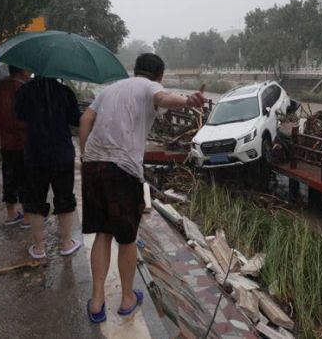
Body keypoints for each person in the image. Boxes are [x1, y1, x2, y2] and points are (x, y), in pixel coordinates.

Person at [79, 53, 205, 322]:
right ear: (159, 75)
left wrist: (84, 156)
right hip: (121, 170)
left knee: (102, 233)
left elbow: (85, 120)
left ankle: (96, 301)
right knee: (126, 238)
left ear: (136, 70)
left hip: (93, 166)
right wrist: (187, 100)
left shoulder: (110, 89)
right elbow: (162, 99)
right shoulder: (150, 87)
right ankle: (126, 298)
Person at [15, 76, 83, 259]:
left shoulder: (24, 91)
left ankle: (39, 248)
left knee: (35, 201)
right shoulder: (65, 91)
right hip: (62, 154)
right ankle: (67, 243)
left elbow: (20, 116)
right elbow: (76, 120)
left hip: (35, 154)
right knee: (64, 197)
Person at [0, 65, 31, 226]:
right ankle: (28, 216)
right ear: (22, 70)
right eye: (28, 70)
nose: (30, 72)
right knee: (27, 178)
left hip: (6, 141)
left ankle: (11, 214)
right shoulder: (26, 89)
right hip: (26, 141)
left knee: (9, 176)